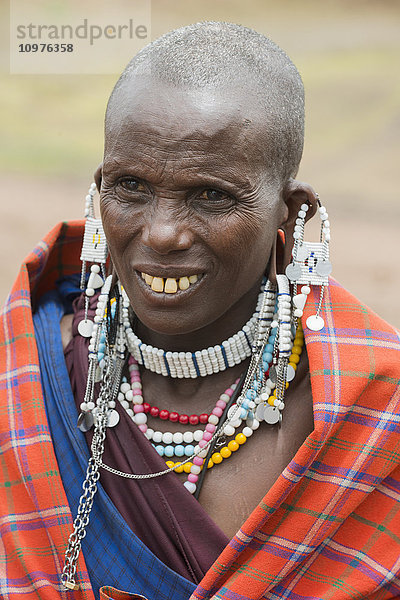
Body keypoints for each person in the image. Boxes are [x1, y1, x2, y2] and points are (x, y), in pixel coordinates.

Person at [1, 21, 400, 600]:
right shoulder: (29, 382)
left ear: (290, 213)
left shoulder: (372, 413)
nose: (161, 234)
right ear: (99, 189)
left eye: (211, 195)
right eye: (131, 187)